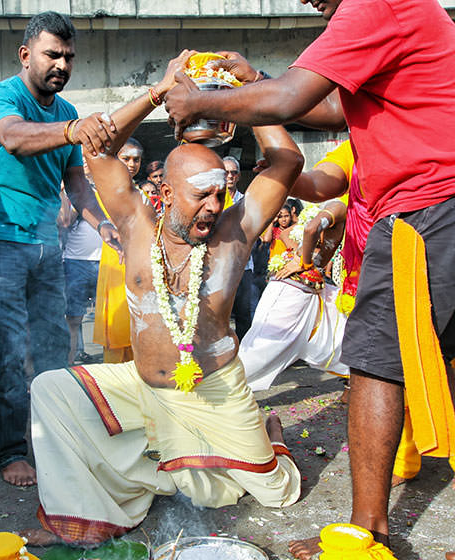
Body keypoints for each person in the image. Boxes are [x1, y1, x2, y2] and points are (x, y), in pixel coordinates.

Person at [164, 1, 455, 557]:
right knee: (426, 360)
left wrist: (198, 99)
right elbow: (334, 109)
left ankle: (363, 535)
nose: (307, 1)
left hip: (437, 204)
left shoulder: (372, 3)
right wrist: (254, 81)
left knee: (374, 359)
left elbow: (291, 99)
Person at [23, 50, 302, 547]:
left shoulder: (235, 233)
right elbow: (97, 152)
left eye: (221, 193)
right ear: (166, 192)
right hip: (144, 387)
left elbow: (288, 160)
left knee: (277, 495)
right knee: (50, 389)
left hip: (214, 391)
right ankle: (84, 515)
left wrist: (252, 85)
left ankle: (267, 434)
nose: (214, 206)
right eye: (202, 195)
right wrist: (161, 88)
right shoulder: (135, 225)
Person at [0, 11, 119, 487]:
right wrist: (73, 132)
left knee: (54, 350)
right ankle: (11, 451)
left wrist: (105, 226)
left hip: (46, 245)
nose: (62, 64)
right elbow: (13, 138)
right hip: (0, 239)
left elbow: (76, 183)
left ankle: (54, 440)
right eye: (53, 54)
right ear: (26, 55)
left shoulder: (67, 112)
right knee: (11, 351)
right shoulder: (1, 96)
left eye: (69, 57)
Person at [240, 198, 348, 391]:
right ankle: (224, 388)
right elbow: (309, 230)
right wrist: (303, 261)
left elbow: (297, 234)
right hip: (292, 290)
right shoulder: (337, 208)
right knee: (263, 347)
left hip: (307, 289)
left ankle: (354, 383)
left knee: (341, 329)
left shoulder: (336, 211)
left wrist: (303, 259)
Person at [93, 137, 143, 363]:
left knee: (139, 330)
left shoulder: (142, 193)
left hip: (139, 266)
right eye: (126, 159)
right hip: (115, 265)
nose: (131, 164)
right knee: (115, 329)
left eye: (136, 160)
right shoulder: (103, 191)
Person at [60, 157, 102, 365]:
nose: (85, 164)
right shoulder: (71, 192)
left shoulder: (108, 187)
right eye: (81, 161)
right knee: (74, 318)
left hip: (105, 262)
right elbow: (65, 221)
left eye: (88, 160)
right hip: (76, 263)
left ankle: (114, 370)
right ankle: (68, 366)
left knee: (108, 318)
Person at [223, 155, 257, 340]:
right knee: (220, 315)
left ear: (238, 177)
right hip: (219, 266)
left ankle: (244, 354)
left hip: (243, 266)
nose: (229, 176)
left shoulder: (246, 201)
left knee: (244, 312)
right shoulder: (212, 201)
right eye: (225, 172)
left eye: (233, 173)